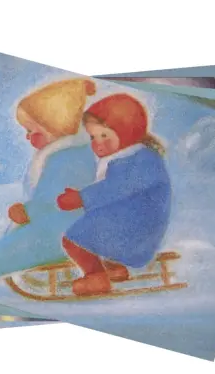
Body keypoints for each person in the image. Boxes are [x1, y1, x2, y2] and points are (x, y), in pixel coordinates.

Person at [0, 78, 97, 286]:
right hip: (58, 222)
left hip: (65, 229)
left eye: (32, 131)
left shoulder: (66, 159)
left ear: (55, 128)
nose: (27, 137)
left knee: (23, 243)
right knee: (19, 237)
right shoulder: (64, 153)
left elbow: (53, 200)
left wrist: (28, 211)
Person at [57, 93, 171, 296]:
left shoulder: (140, 159)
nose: (97, 142)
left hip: (135, 227)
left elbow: (117, 187)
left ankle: (96, 277)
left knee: (73, 240)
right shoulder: (131, 156)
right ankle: (114, 267)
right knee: (97, 230)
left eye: (104, 136)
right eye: (93, 137)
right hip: (134, 224)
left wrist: (82, 197)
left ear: (127, 132)